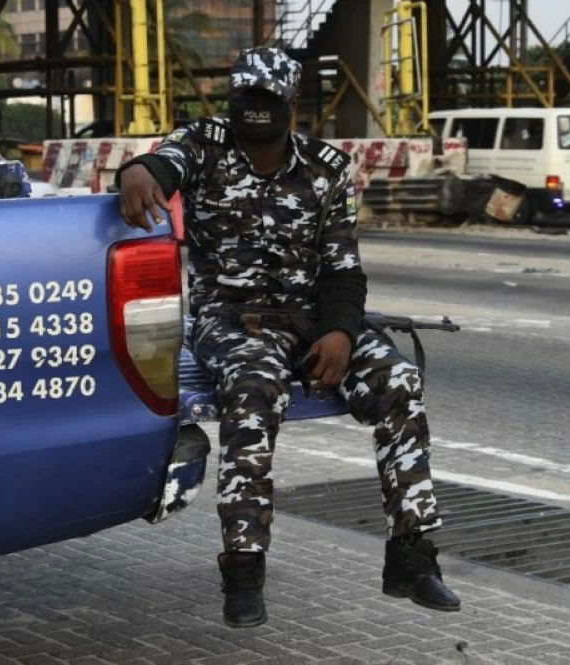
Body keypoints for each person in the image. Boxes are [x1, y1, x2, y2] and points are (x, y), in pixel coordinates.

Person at [116, 47, 461, 628]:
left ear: (291, 103)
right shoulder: (203, 144)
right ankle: (244, 566)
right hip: (231, 319)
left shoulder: (326, 167)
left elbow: (344, 270)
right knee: (254, 389)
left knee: (400, 380)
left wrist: (341, 333)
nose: (256, 107)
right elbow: (163, 164)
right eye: (246, 95)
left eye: (268, 97)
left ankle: (412, 557)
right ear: (233, 98)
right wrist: (138, 171)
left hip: (312, 319)